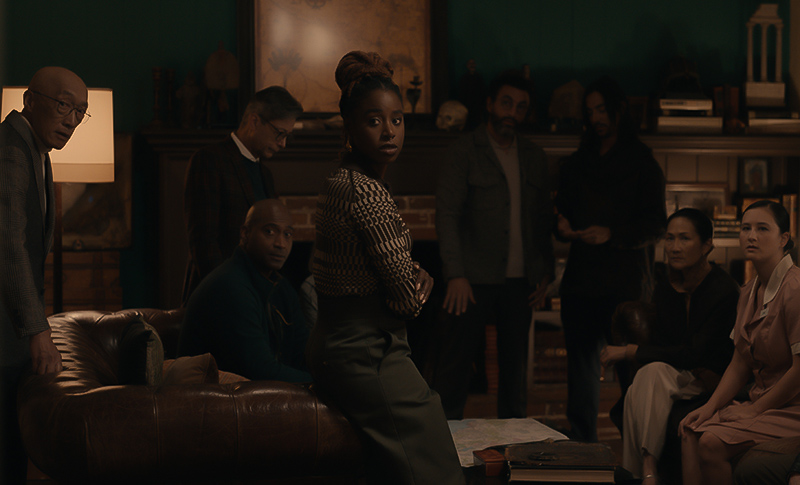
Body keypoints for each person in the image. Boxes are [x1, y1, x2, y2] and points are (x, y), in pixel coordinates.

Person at [307, 51, 464, 485]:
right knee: (438, 466)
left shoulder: (338, 182)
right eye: (374, 120)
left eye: (397, 120)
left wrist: (407, 276)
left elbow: (376, 268)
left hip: (333, 344)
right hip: (367, 351)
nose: (389, 131)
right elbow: (408, 303)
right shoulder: (368, 193)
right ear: (349, 128)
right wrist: (414, 283)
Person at [433, 69, 554, 420]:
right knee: (454, 370)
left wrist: (545, 271)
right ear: (489, 104)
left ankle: (512, 446)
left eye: (520, 107)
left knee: (515, 377)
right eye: (506, 103)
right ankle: (444, 442)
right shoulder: (463, 151)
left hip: (521, 283)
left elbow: (542, 218)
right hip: (470, 280)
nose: (512, 113)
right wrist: (455, 274)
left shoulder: (534, 156)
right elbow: (447, 214)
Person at [555, 76, 666, 442]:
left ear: (619, 110)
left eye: (602, 109)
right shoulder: (577, 163)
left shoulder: (642, 163)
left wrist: (612, 234)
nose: (596, 118)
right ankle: (581, 448)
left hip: (625, 286)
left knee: (632, 374)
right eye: (590, 112)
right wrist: (561, 223)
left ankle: (639, 449)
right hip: (580, 284)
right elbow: (560, 209)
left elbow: (656, 225)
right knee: (580, 375)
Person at [599, 208, 739, 483]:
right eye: (670, 238)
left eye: (684, 239)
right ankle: (648, 470)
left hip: (712, 379)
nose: (674, 247)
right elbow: (665, 344)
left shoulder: (724, 290)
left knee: (647, 378)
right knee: (648, 376)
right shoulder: (667, 285)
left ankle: (640, 473)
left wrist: (629, 351)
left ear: (706, 245)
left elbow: (695, 353)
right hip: (678, 374)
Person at [0, 66, 85, 483]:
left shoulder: (33, 148)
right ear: (29, 100)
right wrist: (38, 330)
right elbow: (9, 247)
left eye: (80, 112)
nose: (72, 121)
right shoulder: (10, 151)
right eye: (64, 105)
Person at [680, 200, 800, 485]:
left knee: (710, 443)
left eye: (762, 229)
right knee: (689, 429)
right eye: (746, 228)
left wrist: (753, 410)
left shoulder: (795, 289)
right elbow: (739, 363)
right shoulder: (748, 291)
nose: (751, 236)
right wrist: (709, 407)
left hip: (793, 407)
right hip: (764, 402)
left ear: (783, 238)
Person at [183, 86, 303, 303]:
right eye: (279, 134)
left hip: (255, 296)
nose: (283, 144)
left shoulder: (265, 174)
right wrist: (232, 295)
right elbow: (204, 242)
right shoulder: (209, 160)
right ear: (254, 121)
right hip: (217, 298)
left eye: (287, 136)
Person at [178, 199, 311, 382]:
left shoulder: (282, 288)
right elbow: (260, 371)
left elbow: (305, 354)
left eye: (287, 234)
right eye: (270, 232)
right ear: (245, 233)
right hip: (211, 396)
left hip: (257, 394)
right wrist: (320, 385)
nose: (281, 243)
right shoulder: (230, 286)